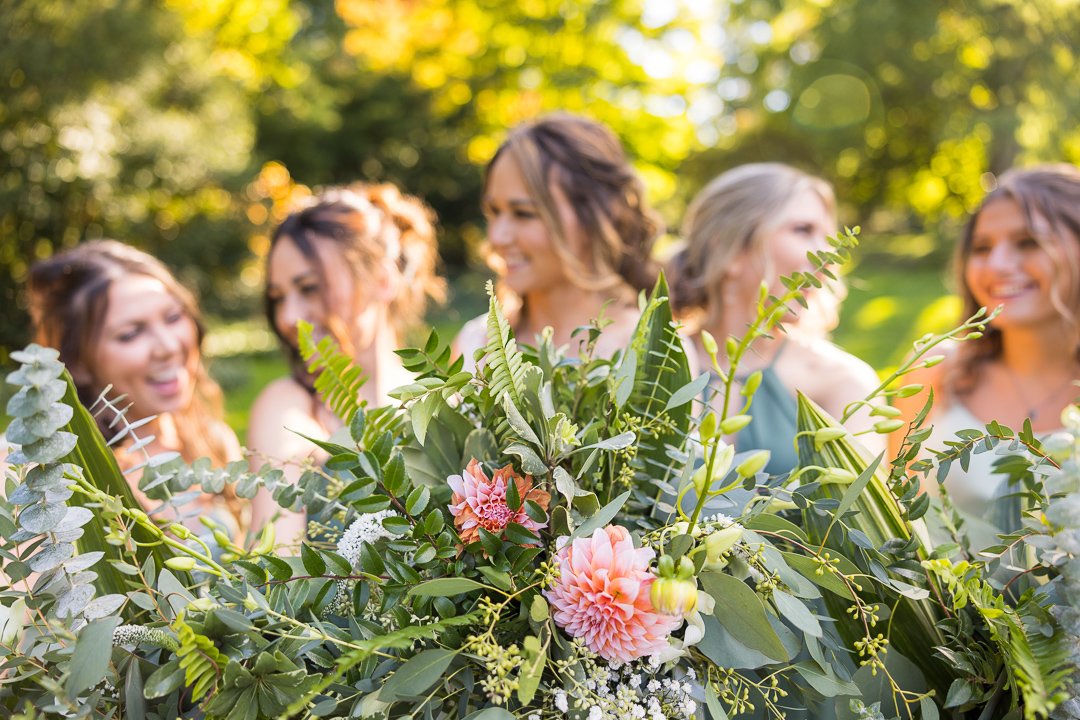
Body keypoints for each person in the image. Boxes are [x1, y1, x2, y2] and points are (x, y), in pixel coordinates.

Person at [248, 183, 445, 548]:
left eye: (309, 287)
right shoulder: (287, 407)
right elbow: (276, 567)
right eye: (277, 298)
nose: (288, 317)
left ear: (382, 280)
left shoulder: (445, 406)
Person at [892, 164, 1080, 521]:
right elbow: (896, 523)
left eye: (1028, 242)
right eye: (981, 248)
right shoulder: (933, 372)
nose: (998, 264)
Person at [670, 163, 881, 476]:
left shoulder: (842, 381)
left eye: (828, 236)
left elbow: (861, 518)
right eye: (803, 230)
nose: (827, 259)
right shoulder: (659, 366)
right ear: (727, 248)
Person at [27, 239, 243, 532]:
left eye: (173, 317)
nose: (167, 347)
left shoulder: (213, 440)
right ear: (75, 362)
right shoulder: (48, 478)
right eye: (130, 334)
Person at [453, 113, 662, 365]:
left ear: (593, 216)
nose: (497, 236)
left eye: (524, 214)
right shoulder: (476, 344)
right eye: (494, 212)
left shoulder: (650, 354)